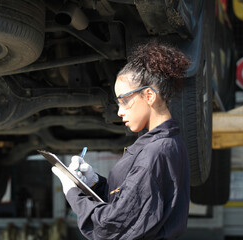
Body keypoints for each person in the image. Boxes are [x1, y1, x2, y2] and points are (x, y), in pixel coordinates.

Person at [52, 40, 191, 240]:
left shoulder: (155, 152)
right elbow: (129, 202)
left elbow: (113, 225)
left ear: (149, 95)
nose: (119, 111)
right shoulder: (163, 144)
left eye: (125, 101)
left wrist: (73, 193)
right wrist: (93, 183)